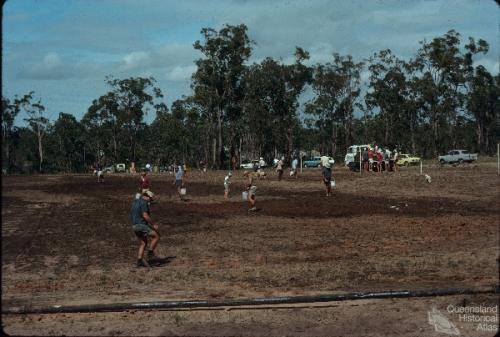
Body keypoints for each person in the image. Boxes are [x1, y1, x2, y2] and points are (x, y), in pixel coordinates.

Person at [129, 190, 161, 267]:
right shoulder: (144, 203)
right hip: (141, 225)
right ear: (147, 196)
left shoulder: (135, 202)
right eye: (150, 199)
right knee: (156, 235)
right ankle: (150, 254)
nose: (150, 201)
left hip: (134, 225)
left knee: (143, 243)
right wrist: (153, 225)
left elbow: (131, 214)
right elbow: (145, 215)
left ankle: (139, 261)